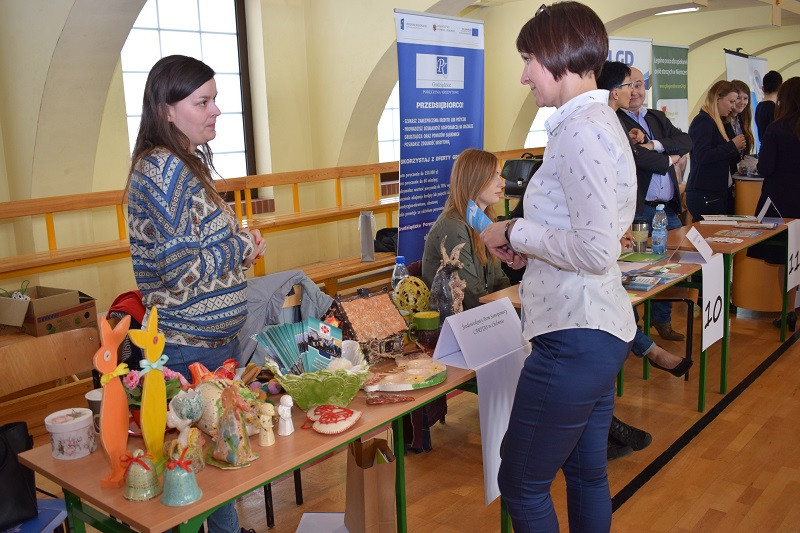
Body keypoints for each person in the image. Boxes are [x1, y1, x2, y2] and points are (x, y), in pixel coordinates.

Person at [481, 4, 636, 530]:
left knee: (521, 484)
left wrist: (515, 231)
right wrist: (533, 249)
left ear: (557, 56)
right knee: (585, 471)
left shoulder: (582, 131)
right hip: (594, 325)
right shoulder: (594, 121)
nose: (523, 74)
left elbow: (596, 251)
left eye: (528, 59)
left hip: (575, 332)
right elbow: (589, 232)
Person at [125, 55, 266, 533]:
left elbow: (196, 253)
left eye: (215, 100)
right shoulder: (163, 168)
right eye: (202, 102)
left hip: (211, 344)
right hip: (186, 348)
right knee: (198, 467)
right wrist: (240, 246)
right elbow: (178, 269)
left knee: (214, 465)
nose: (215, 111)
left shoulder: (179, 163)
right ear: (167, 110)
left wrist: (235, 254)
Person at [597, 61, 693, 376]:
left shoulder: (653, 118)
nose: (636, 90)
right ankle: (637, 337)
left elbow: (686, 141)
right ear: (616, 90)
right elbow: (639, 160)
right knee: (630, 275)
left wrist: (654, 145)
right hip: (634, 212)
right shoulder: (611, 119)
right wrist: (666, 157)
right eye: (630, 84)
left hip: (664, 207)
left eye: (640, 84)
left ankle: (657, 323)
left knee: (669, 266)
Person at [421, 148, 510, 310]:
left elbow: (498, 281)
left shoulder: (484, 221)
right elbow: (470, 293)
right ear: (474, 180)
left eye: (500, 175)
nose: (502, 183)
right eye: (494, 176)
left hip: (480, 315)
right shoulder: (452, 226)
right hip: (458, 321)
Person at [747, 77, 800, 330]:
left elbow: (766, 166)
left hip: (781, 204)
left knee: (786, 258)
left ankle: (788, 310)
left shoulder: (777, 129)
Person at [685, 80, 747, 220]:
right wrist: (732, 146)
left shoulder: (719, 122)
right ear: (718, 98)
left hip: (717, 191)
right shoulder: (703, 121)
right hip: (705, 192)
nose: (733, 106)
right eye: (731, 101)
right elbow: (703, 155)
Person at [726, 79, 754, 173]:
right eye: (738, 98)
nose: (742, 102)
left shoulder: (743, 120)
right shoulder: (722, 121)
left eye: (745, 98)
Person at [755, 70, 783, 144]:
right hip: (774, 150)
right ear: (780, 88)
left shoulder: (759, 106)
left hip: (764, 148)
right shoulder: (775, 108)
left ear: (763, 88)